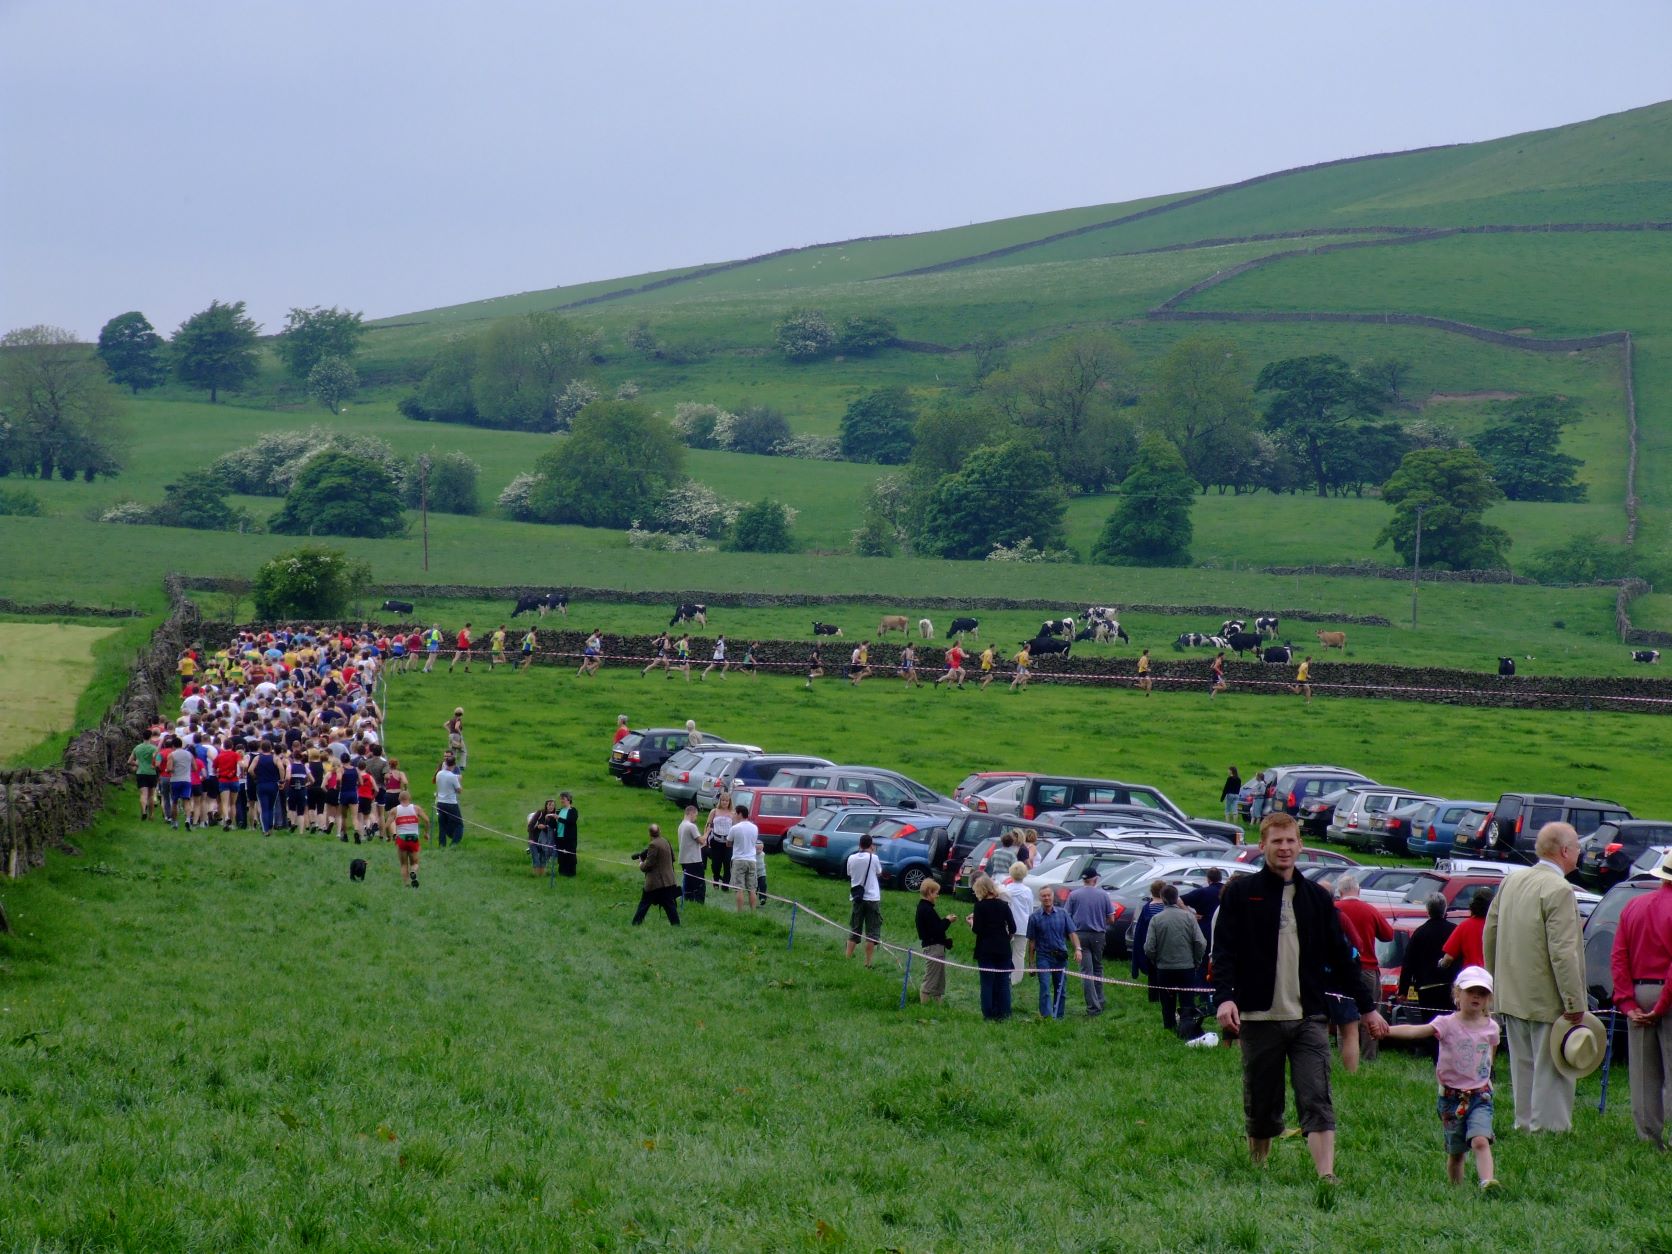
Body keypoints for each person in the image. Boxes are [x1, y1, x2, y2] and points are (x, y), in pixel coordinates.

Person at [1212, 812, 1387, 1182]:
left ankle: (1326, 1175)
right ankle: (1258, 1167)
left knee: (1317, 1094)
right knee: (1262, 1103)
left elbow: (1341, 957)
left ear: (1300, 845)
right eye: (1276, 841)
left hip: (1309, 1017)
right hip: (1259, 1017)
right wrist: (1225, 999)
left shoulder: (1316, 899)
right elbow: (1224, 952)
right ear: (1262, 846)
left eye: (1291, 841)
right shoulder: (1242, 895)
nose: (1284, 848)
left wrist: (1368, 1008)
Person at [1483, 824, 1586, 1135]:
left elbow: (1490, 932)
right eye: (1577, 846)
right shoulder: (1559, 890)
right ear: (1565, 851)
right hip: (1546, 996)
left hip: (1511, 992)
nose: (1580, 852)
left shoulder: (1512, 880)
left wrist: (1495, 980)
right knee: (1553, 1067)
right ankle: (1549, 1130)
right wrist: (1574, 1001)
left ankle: (1524, 1123)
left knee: (1523, 1065)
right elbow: (1563, 952)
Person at [1386, 966, 1501, 1190]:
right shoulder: (1446, 1023)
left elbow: (1490, 1053)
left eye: (1483, 992)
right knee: (1456, 1152)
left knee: (1480, 1140)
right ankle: (1455, 1189)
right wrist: (1388, 1031)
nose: (1476, 996)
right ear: (1457, 994)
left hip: (1480, 1096)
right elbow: (1416, 1031)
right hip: (1451, 1098)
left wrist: (1487, 1077)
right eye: (1470, 991)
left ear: (1489, 999)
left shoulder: (1491, 1028)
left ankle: (1487, 1181)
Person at [1611, 849, 1672, 1147]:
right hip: (1668, 994)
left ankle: (1649, 1137)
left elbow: (1619, 958)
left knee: (1644, 1073)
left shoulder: (1633, 906)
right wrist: (1661, 1006)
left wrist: (1628, 1004)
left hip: (1639, 991)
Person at [1334, 875, 1393, 1065]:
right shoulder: (1369, 909)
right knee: (1371, 1011)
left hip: (1340, 969)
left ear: (1340, 892)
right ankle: (1369, 1056)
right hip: (1367, 967)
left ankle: (1346, 1055)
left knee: (1344, 1014)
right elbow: (1388, 935)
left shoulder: (1335, 910)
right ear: (1358, 891)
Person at [1146, 884, 1208, 1034]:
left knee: (1167, 1002)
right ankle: (1187, 1028)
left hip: (1164, 968)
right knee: (1187, 1001)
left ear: (1162, 899)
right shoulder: (1189, 917)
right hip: (1186, 967)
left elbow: (1149, 947)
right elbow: (1200, 942)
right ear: (1176, 898)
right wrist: (1196, 961)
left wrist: (1156, 961)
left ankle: (1169, 1028)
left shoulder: (1156, 919)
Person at [1398, 895, 1458, 1021]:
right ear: (1445, 909)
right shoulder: (1454, 930)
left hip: (1426, 989)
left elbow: (1408, 962)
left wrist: (1403, 990)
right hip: (1450, 987)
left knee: (1429, 1026)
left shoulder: (1420, 933)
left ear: (1427, 909)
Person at [1067, 866, 1118, 1016]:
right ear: (1095, 879)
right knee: (1097, 969)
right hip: (1098, 935)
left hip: (1079, 936)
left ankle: (1093, 1006)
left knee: (1086, 972)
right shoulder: (1103, 895)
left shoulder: (1074, 895)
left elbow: (1067, 916)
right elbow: (1111, 918)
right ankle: (1100, 1002)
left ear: (1084, 880)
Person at [1028, 886, 1081, 1020]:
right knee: (1045, 987)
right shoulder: (1034, 917)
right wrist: (1031, 963)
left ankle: (1059, 1016)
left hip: (1060, 956)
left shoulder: (1063, 914)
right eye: (1043, 896)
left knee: (1060, 988)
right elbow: (1032, 942)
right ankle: (1046, 1017)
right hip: (1043, 956)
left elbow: (1072, 933)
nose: (1046, 898)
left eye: (1048, 895)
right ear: (1040, 898)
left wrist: (1078, 949)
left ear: (1053, 897)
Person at [969, 875, 1017, 1020]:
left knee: (987, 983)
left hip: (986, 949)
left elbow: (977, 929)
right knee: (1003, 982)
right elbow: (1013, 927)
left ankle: (988, 1014)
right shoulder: (1003, 905)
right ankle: (1005, 1013)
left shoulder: (980, 906)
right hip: (1003, 949)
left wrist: (971, 922)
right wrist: (1006, 938)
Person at [915, 879, 956, 1004]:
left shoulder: (925, 908)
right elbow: (937, 929)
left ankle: (938, 1004)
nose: (938, 896)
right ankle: (924, 1005)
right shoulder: (926, 910)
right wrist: (947, 920)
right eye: (936, 893)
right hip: (933, 947)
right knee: (931, 978)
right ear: (929, 892)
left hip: (936, 946)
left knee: (939, 979)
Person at [845, 833, 883, 966]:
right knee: (871, 932)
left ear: (859, 844)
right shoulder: (874, 858)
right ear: (871, 845)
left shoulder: (851, 858)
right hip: (872, 897)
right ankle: (868, 962)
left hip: (857, 897)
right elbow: (879, 872)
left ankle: (847, 958)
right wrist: (873, 852)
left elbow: (849, 873)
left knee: (855, 928)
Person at [632, 823, 680, 926]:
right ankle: (676, 925)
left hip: (655, 882)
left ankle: (635, 924)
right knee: (669, 905)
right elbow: (673, 858)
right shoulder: (665, 841)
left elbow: (647, 865)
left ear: (649, 834)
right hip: (668, 880)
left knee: (644, 903)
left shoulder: (653, 845)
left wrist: (641, 863)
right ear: (660, 831)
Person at [1130, 880, 1168, 997]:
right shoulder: (1167, 908)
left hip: (1151, 944)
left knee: (1152, 972)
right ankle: (1166, 992)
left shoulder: (1147, 909)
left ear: (1152, 892)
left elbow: (1140, 932)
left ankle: (1153, 995)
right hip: (1166, 944)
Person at [1441, 889, 1492, 971]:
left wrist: (1441, 964)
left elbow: (1448, 958)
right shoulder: (1496, 926)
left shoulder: (1464, 926)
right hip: (1491, 976)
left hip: (1470, 976)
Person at [1002, 860, 1034, 988]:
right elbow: (1030, 909)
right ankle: (1016, 979)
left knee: (1005, 951)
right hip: (1022, 926)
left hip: (1007, 926)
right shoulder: (1027, 891)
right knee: (1019, 953)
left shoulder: (1006, 890)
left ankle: (1004, 974)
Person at [390, 790, 429, 888]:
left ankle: (406, 884)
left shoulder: (395, 810)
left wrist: (390, 835)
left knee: (403, 864)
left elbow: (389, 824)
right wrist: (426, 833)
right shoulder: (416, 808)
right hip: (413, 839)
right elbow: (427, 820)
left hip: (402, 839)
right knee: (415, 863)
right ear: (409, 798)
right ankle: (413, 871)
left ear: (399, 799)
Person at [1181, 867, 1225, 948]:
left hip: (1204, 930)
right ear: (1220, 878)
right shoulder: (1228, 890)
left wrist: (1191, 913)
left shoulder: (1202, 892)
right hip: (1224, 930)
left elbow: (1178, 900)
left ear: (1208, 879)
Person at [730, 805, 761, 912]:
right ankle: (753, 911)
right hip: (752, 860)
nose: (733, 815)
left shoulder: (735, 828)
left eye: (735, 813)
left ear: (740, 814)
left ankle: (740, 912)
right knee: (752, 888)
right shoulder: (755, 827)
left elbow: (728, 843)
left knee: (739, 888)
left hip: (739, 859)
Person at [677, 805, 707, 904]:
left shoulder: (681, 825)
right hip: (694, 860)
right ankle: (699, 904)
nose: (696, 818)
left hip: (684, 859)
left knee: (688, 884)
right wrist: (707, 832)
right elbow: (701, 841)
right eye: (696, 815)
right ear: (692, 813)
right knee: (699, 884)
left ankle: (688, 901)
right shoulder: (691, 826)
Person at [128, 734, 161, 821]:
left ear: (142, 737)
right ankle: (151, 815)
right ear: (150, 738)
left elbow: (129, 761)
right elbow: (157, 763)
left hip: (141, 773)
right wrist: (154, 765)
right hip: (151, 773)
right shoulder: (155, 748)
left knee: (143, 794)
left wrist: (137, 764)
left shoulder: (137, 748)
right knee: (151, 795)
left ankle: (143, 811)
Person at [705, 793, 734, 890]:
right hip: (716, 841)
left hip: (728, 842)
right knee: (716, 864)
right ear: (720, 801)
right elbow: (708, 824)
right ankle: (716, 880)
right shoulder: (714, 811)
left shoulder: (732, 813)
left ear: (729, 802)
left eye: (727, 800)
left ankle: (725, 885)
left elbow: (735, 828)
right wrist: (705, 837)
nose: (725, 802)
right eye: (723, 800)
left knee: (727, 862)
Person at [434, 756, 463, 848]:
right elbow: (459, 790)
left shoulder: (439, 774)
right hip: (451, 803)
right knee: (459, 825)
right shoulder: (452, 776)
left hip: (440, 802)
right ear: (454, 765)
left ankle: (442, 845)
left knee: (442, 825)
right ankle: (453, 844)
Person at [528, 799, 559, 877]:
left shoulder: (555, 816)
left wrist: (545, 827)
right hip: (534, 840)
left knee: (543, 859)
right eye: (549, 805)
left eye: (552, 805)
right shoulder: (540, 813)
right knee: (536, 859)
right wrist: (531, 838)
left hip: (546, 842)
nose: (551, 806)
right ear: (546, 806)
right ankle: (536, 874)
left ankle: (541, 875)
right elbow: (530, 826)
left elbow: (555, 829)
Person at [553, 791, 579, 877]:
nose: (561, 801)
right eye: (561, 799)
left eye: (563, 799)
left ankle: (571, 873)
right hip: (559, 836)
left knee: (570, 855)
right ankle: (562, 872)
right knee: (561, 855)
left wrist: (559, 818)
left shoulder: (573, 811)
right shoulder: (559, 810)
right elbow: (554, 823)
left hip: (569, 838)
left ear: (568, 800)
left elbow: (571, 822)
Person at [445, 707, 466, 772]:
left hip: (451, 736)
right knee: (463, 751)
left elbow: (445, 724)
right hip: (457, 736)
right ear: (462, 713)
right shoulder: (458, 719)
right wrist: (460, 734)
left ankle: (451, 766)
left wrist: (450, 731)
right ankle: (462, 766)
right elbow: (456, 727)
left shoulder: (452, 719)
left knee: (453, 752)